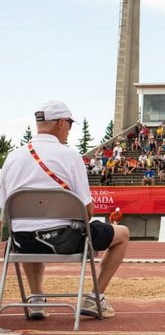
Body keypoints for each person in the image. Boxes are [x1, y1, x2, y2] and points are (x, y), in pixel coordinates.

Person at [0, 100, 128, 319]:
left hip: (21, 242)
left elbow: (4, 210)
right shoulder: (70, 156)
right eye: (70, 124)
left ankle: (37, 299)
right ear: (60, 123)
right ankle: (94, 297)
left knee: (28, 229)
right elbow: (87, 211)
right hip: (63, 241)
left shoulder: (12, 158)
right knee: (123, 233)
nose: (69, 130)